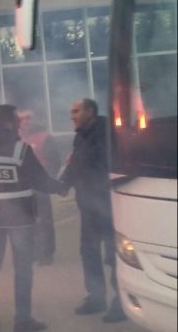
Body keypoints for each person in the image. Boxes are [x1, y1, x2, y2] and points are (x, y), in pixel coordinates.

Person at [0, 105, 67, 332]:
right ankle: (22, 320)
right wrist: (61, 187)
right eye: (17, 120)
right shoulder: (20, 149)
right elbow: (40, 180)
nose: (21, 124)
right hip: (19, 217)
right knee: (22, 267)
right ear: (12, 122)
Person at [61, 99, 126, 323]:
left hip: (108, 206)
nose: (72, 116)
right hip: (88, 206)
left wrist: (71, 180)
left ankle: (121, 301)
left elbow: (98, 165)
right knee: (89, 252)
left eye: (75, 111)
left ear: (90, 111)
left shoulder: (107, 133)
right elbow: (75, 163)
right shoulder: (80, 135)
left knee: (114, 256)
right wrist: (63, 184)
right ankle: (96, 297)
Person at [18, 110, 62, 266]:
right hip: (24, 189)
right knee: (28, 222)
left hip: (41, 187)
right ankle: (33, 253)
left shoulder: (44, 137)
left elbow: (54, 161)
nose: (26, 121)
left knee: (44, 221)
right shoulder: (19, 139)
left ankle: (47, 253)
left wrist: (46, 181)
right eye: (22, 119)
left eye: (29, 118)